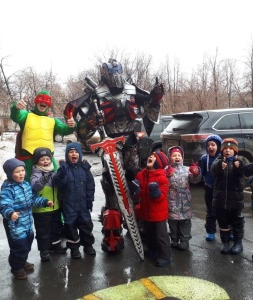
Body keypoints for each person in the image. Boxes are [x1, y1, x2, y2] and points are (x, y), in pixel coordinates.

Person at [64, 58, 165, 255]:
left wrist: (156, 98)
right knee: (111, 186)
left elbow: (150, 112)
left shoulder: (132, 91)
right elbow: (81, 131)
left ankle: (139, 225)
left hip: (131, 145)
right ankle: (113, 231)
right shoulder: (95, 96)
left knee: (135, 182)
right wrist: (92, 121)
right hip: (109, 146)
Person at [0, 158, 54, 280]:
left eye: (22, 170)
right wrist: (10, 213)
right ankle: (16, 267)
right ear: (10, 174)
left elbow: (33, 199)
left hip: (27, 222)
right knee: (19, 245)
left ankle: (20, 260)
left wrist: (45, 202)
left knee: (28, 242)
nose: (21, 173)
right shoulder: (8, 189)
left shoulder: (26, 185)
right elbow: (4, 205)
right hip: (15, 223)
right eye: (17, 172)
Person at [10, 89, 76, 180]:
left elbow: (64, 130)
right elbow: (16, 116)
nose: (44, 102)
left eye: (47, 100)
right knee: (27, 185)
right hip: (29, 158)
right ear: (36, 101)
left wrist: (72, 125)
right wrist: (15, 108)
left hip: (48, 158)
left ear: (49, 104)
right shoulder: (27, 115)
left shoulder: (53, 120)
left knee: (55, 181)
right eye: (41, 99)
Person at [53, 142, 95, 259]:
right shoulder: (64, 168)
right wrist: (60, 175)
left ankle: (88, 245)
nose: (74, 154)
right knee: (70, 226)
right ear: (67, 155)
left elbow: (90, 186)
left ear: (80, 155)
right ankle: (74, 248)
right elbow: (58, 183)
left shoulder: (85, 169)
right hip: (69, 204)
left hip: (83, 205)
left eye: (76, 152)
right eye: (71, 152)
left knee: (86, 225)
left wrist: (89, 200)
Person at [134, 151, 171, 267]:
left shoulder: (162, 178)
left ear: (159, 163)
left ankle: (165, 256)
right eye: (150, 155)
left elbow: (161, 197)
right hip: (146, 211)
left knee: (161, 235)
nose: (150, 157)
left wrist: (156, 192)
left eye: (154, 157)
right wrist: (134, 188)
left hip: (158, 213)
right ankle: (152, 249)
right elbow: (137, 193)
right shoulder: (141, 174)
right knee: (149, 233)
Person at [30, 147, 67, 262]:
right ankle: (44, 250)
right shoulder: (35, 174)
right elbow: (36, 186)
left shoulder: (53, 172)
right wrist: (45, 178)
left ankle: (55, 245)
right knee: (43, 231)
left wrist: (61, 174)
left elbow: (59, 184)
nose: (45, 161)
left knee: (56, 228)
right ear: (36, 162)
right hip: (41, 210)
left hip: (55, 207)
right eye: (42, 159)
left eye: (47, 159)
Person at [211, 138, 246, 255]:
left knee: (237, 221)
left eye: (231, 149)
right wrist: (220, 166)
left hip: (236, 198)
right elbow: (213, 170)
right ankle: (225, 243)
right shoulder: (219, 160)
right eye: (225, 148)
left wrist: (239, 167)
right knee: (223, 221)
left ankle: (238, 243)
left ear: (235, 151)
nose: (228, 151)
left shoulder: (240, 160)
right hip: (220, 199)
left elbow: (244, 174)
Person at [166, 146, 201, 250]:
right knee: (172, 222)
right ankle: (174, 239)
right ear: (169, 157)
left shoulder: (187, 170)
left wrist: (196, 173)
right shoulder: (167, 170)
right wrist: (166, 175)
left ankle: (184, 240)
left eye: (179, 155)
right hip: (171, 201)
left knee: (185, 222)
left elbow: (195, 180)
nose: (177, 157)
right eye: (174, 155)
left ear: (182, 157)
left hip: (185, 201)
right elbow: (162, 183)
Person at [198, 134, 222, 241]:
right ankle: (210, 231)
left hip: (221, 189)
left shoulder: (223, 158)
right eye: (208, 145)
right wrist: (196, 172)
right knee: (211, 210)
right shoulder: (203, 159)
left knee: (224, 210)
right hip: (209, 188)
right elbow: (201, 172)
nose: (210, 147)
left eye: (213, 145)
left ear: (219, 146)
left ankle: (227, 229)